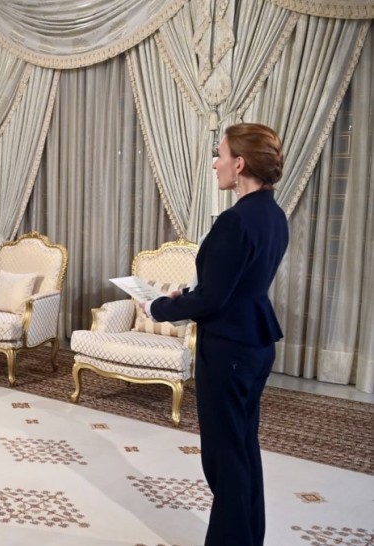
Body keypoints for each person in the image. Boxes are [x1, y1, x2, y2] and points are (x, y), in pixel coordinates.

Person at [144, 123, 288, 546]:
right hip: (254, 343)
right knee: (242, 449)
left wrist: (158, 307)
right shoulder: (273, 215)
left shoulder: (234, 220)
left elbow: (213, 300)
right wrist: (192, 295)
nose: (215, 164)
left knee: (224, 460)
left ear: (239, 164)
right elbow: (234, 285)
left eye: (220, 155)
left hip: (229, 350)